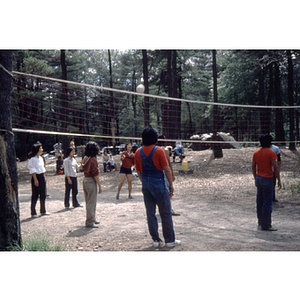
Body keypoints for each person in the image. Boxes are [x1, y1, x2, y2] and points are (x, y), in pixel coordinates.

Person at [135, 127, 181, 248]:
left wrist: (144, 182)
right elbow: (166, 169)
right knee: (165, 213)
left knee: (150, 213)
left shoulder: (138, 151)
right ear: (155, 138)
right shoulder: (159, 150)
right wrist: (170, 184)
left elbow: (138, 171)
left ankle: (155, 240)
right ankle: (169, 240)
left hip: (146, 183)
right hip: (159, 183)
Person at [252, 134, 281, 231]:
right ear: (270, 143)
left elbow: (253, 166)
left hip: (259, 178)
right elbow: (276, 167)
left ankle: (260, 221)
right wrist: (279, 180)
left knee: (259, 200)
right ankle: (266, 224)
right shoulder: (271, 153)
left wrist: (255, 178)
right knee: (267, 202)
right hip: (267, 178)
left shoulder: (256, 153)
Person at [157, 134, 180, 216]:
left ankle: (166, 208)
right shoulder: (165, 150)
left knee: (161, 191)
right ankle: (168, 209)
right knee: (169, 190)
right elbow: (168, 164)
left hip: (157, 173)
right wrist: (172, 174)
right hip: (164, 172)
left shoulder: (154, 150)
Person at [81, 141, 102, 228]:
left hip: (85, 180)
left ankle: (92, 218)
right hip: (91, 181)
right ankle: (89, 222)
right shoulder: (93, 160)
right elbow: (95, 174)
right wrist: (99, 185)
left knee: (88, 201)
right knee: (92, 202)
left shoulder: (85, 158)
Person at [27, 142, 49, 217]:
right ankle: (33, 212)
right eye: (41, 148)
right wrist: (35, 179)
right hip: (36, 177)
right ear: (37, 150)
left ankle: (43, 210)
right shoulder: (32, 159)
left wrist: (44, 176)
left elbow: (42, 168)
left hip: (41, 176)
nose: (42, 150)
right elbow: (32, 169)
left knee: (43, 194)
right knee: (35, 195)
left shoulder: (41, 158)